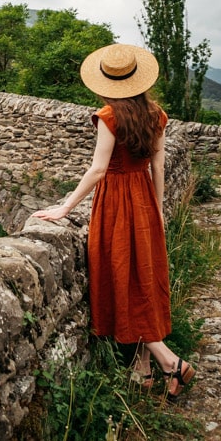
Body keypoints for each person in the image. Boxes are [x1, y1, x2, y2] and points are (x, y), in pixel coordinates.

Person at [30, 43, 195, 402]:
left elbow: (98, 170)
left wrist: (63, 207)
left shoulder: (109, 117)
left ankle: (171, 363)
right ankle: (143, 370)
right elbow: (158, 167)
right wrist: (158, 208)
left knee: (122, 277)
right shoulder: (157, 115)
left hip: (116, 203)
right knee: (143, 278)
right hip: (145, 201)